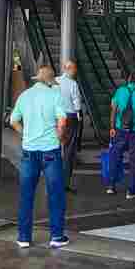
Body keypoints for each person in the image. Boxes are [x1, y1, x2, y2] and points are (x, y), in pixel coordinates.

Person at [9, 64, 69, 249]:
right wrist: (60, 136)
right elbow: (62, 121)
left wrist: (25, 133)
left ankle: (24, 237)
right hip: (50, 150)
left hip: (29, 151)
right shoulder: (55, 95)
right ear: (51, 81)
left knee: (26, 194)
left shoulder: (25, 96)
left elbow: (13, 121)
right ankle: (57, 237)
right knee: (55, 193)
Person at [103, 71, 135, 198]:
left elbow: (114, 109)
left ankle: (111, 186)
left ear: (129, 79)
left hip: (120, 130)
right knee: (134, 161)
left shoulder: (120, 91)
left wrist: (112, 127)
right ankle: (131, 191)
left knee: (115, 157)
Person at [55, 60, 82, 193]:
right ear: (68, 69)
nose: (75, 71)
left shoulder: (55, 82)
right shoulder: (73, 84)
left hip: (56, 118)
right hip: (70, 118)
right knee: (68, 150)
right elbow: (77, 101)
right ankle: (65, 183)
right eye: (74, 69)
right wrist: (79, 113)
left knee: (54, 148)